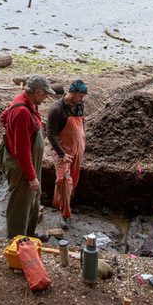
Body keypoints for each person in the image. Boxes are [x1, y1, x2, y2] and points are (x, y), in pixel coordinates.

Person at [0, 75, 54, 238]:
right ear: (37, 92)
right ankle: (17, 240)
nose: (47, 97)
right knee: (20, 205)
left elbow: (4, 117)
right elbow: (22, 151)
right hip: (22, 164)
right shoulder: (22, 111)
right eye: (45, 93)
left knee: (33, 198)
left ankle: (29, 234)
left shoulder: (27, 102)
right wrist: (31, 177)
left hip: (30, 162)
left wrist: (16, 129)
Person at [48, 80, 88, 227]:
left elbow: (81, 124)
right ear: (72, 93)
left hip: (78, 148)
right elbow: (51, 134)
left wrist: (83, 141)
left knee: (74, 179)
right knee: (64, 181)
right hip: (63, 151)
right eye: (80, 96)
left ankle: (64, 203)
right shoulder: (56, 109)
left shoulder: (79, 105)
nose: (82, 99)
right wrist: (61, 154)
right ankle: (64, 214)